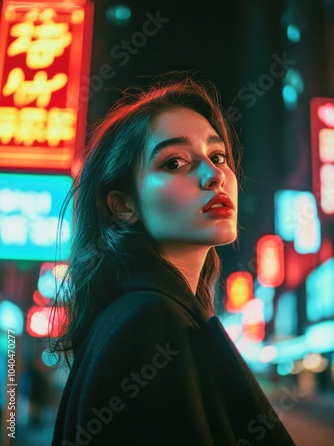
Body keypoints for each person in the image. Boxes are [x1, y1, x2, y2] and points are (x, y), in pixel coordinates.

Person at [50, 73, 295, 445]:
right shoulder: (149, 322)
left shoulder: (144, 313)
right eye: (175, 163)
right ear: (124, 205)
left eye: (218, 156)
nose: (215, 175)